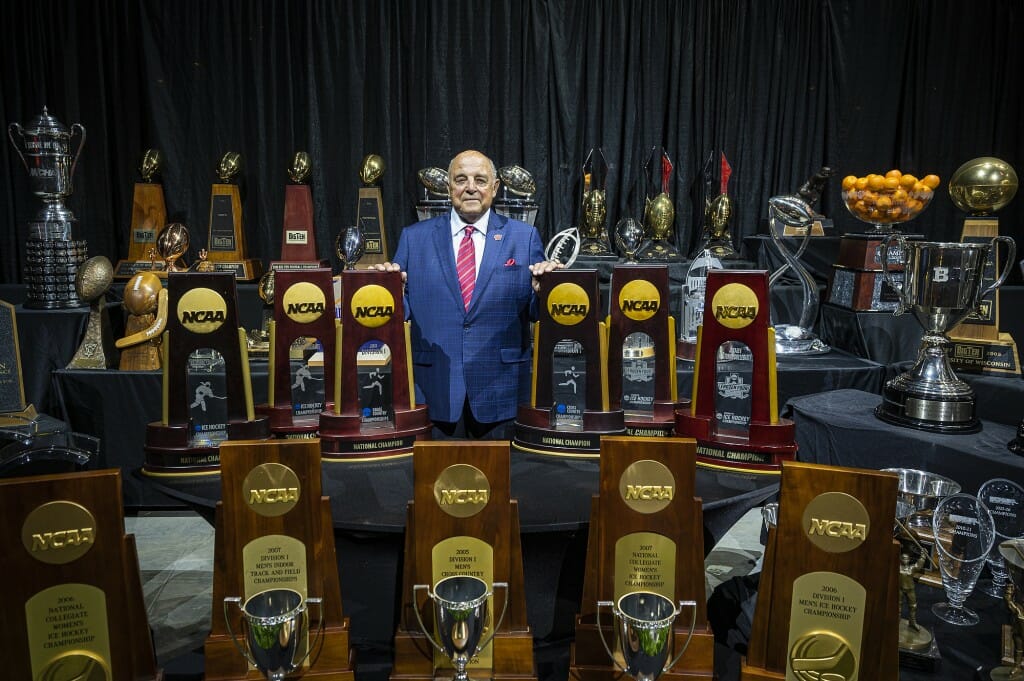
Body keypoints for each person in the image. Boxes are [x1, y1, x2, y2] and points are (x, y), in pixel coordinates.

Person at [376, 149, 560, 438]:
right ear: (448, 187)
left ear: (495, 188)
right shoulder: (414, 238)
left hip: (502, 396)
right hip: (432, 393)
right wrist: (389, 295)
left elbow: (539, 314)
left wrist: (548, 293)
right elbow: (400, 316)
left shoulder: (524, 238)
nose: (471, 187)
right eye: (461, 179)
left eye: (480, 179)